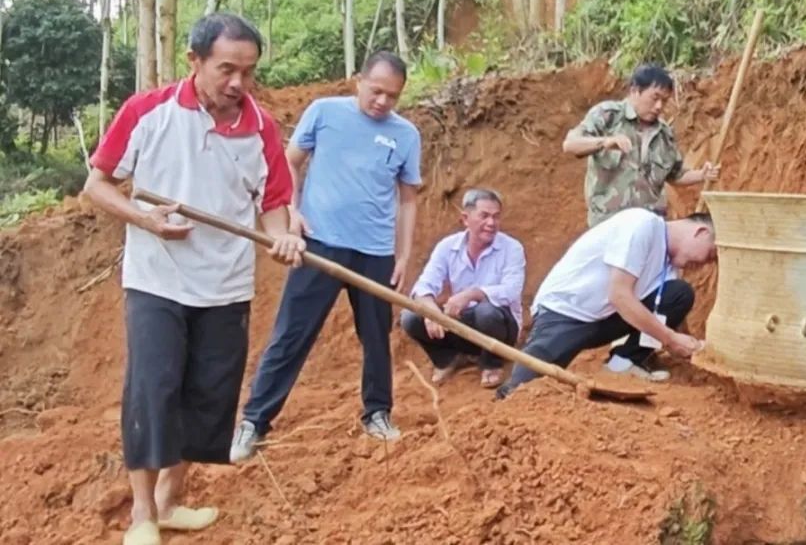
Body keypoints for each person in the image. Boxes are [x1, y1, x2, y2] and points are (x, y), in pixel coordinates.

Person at [82, 13, 306, 545]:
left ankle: (169, 503)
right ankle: (141, 517)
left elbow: (274, 205)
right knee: (152, 392)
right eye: (227, 69)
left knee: (207, 397)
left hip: (226, 285)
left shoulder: (261, 129)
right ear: (194, 61)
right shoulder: (148, 111)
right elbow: (97, 184)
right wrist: (146, 219)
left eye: (248, 72)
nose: (238, 84)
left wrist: (283, 236)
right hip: (156, 280)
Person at [230, 50, 421, 462]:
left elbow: (408, 200)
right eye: (377, 91)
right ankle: (253, 422)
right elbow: (288, 164)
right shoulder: (324, 112)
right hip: (319, 245)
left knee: (376, 338)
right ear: (358, 80)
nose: (383, 102)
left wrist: (403, 254)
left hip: (375, 251)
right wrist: (292, 212)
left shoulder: (406, 135)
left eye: (393, 96)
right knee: (292, 334)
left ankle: (378, 414)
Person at [496, 208, 715, 398]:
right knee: (529, 382)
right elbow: (619, 295)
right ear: (700, 232)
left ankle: (624, 362)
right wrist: (671, 339)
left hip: (606, 318)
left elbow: (662, 312)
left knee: (678, 293)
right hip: (566, 313)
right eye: (711, 254)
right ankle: (506, 401)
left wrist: (691, 348)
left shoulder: (669, 263)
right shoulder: (642, 225)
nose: (705, 263)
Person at [563, 62, 720, 228]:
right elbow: (570, 144)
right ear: (635, 91)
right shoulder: (608, 116)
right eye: (655, 98)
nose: (659, 106)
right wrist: (605, 142)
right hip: (608, 226)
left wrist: (702, 175)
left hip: (649, 226)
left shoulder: (664, 134)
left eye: (664, 101)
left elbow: (675, 175)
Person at [402, 188, 526, 389]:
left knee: (486, 312)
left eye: (496, 217)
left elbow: (511, 291)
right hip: (462, 325)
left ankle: (492, 363)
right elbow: (424, 286)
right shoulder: (447, 246)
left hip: (500, 328)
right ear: (465, 219)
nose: (491, 223)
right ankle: (448, 359)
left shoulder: (512, 248)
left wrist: (471, 294)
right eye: (484, 216)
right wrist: (431, 312)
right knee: (410, 316)